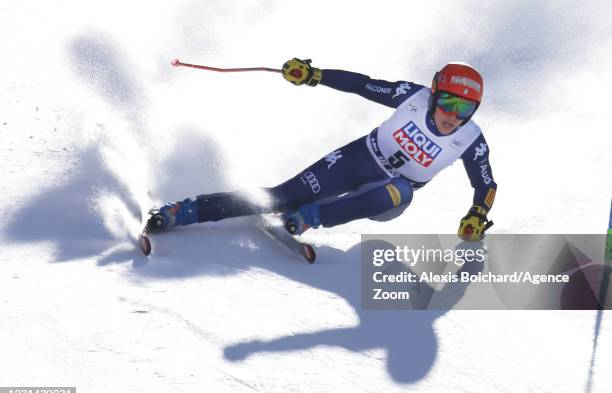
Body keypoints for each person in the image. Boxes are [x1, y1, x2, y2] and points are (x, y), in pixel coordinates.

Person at [146, 58, 497, 241]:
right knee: (279, 197)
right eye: (449, 102)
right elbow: (363, 85)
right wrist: (314, 75)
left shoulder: (470, 140)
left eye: (465, 109)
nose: (454, 115)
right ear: (434, 94)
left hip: (386, 196)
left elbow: (486, 185)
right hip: (359, 158)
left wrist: (477, 216)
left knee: (401, 189)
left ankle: (312, 217)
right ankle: (184, 211)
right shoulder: (413, 96)